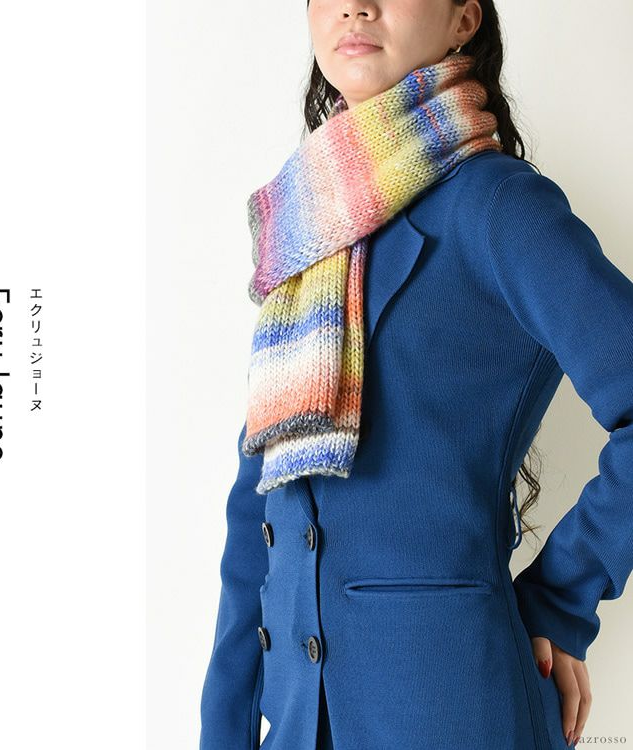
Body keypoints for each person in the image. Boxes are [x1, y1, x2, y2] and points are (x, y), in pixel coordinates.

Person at [199, 1, 633, 749]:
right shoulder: (304, 235)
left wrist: (563, 599)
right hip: (298, 725)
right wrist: (224, 727)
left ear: (464, 20)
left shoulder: (498, 207)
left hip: (454, 711)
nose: (356, 5)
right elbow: (259, 506)